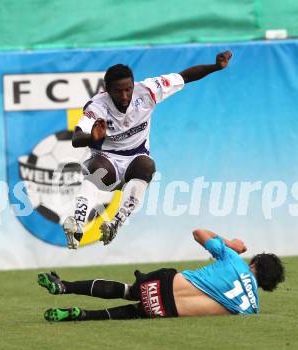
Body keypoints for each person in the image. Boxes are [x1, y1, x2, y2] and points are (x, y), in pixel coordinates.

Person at [63, 52, 233, 249]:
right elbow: (76, 138)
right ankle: (77, 223)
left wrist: (215, 67)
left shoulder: (148, 90)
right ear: (107, 89)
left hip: (135, 158)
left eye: (128, 89)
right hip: (106, 159)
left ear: (134, 84)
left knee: (147, 165)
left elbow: (185, 76)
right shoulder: (97, 106)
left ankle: (115, 223)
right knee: (96, 169)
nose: (125, 96)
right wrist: (91, 137)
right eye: (119, 91)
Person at [38, 228, 285, 322]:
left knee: (128, 291)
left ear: (254, 263)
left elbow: (198, 232)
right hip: (167, 310)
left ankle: (64, 287)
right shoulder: (252, 308)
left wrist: (231, 244)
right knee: (135, 312)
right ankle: (80, 315)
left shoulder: (235, 260)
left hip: (164, 283)